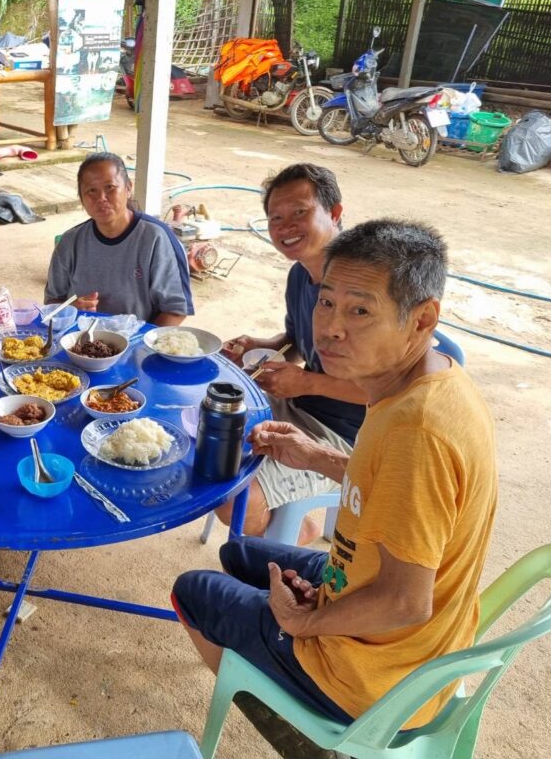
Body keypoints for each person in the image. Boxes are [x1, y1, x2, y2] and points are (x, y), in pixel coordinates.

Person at [173, 219, 498, 730]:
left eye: (361, 310)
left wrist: (308, 621)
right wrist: (315, 455)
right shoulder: (430, 381)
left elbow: (405, 601)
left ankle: (292, 721)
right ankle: (272, 655)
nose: (330, 328)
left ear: (422, 318)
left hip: (379, 679)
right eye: (326, 302)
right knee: (237, 551)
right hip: (394, 621)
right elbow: (395, 490)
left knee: (193, 589)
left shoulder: (418, 431)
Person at [218, 163, 367, 543]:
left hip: (351, 435)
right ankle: (290, 526)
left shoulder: (366, 287)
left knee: (232, 499)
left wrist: (305, 382)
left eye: (300, 212)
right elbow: (298, 343)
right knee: (206, 424)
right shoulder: (301, 273)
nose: (285, 227)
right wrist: (262, 345)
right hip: (301, 406)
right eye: (275, 218)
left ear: (335, 213)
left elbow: (387, 390)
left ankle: (296, 534)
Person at [44, 152, 194, 325]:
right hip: (77, 342)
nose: (101, 198)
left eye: (110, 187)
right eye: (91, 190)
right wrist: (69, 311)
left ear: (128, 188)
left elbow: (176, 310)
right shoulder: (70, 242)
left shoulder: (157, 238)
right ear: (82, 199)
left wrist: (139, 345)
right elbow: (52, 302)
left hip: (137, 345)